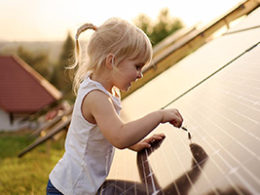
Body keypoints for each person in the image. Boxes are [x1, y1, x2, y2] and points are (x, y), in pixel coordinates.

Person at [46, 17, 183, 195]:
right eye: (137, 66)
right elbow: (119, 136)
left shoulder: (104, 89)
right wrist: (159, 115)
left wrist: (135, 144)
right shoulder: (96, 97)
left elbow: (108, 131)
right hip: (69, 190)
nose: (140, 74)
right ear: (111, 62)